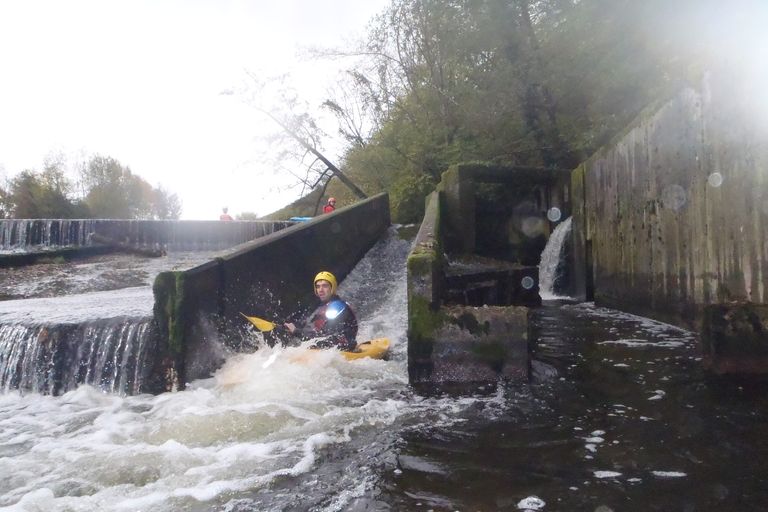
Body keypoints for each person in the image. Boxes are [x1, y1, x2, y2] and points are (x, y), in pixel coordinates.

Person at [283, 270, 358, 351]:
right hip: (328, 347)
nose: (320, 290)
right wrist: (293, 330)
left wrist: (296, 332)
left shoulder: (337, 307)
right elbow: (313, 332)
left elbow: (326, 335)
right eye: (318, 286)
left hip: (343, 348)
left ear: (332, 288)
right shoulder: (322, 307)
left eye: (325, 286)